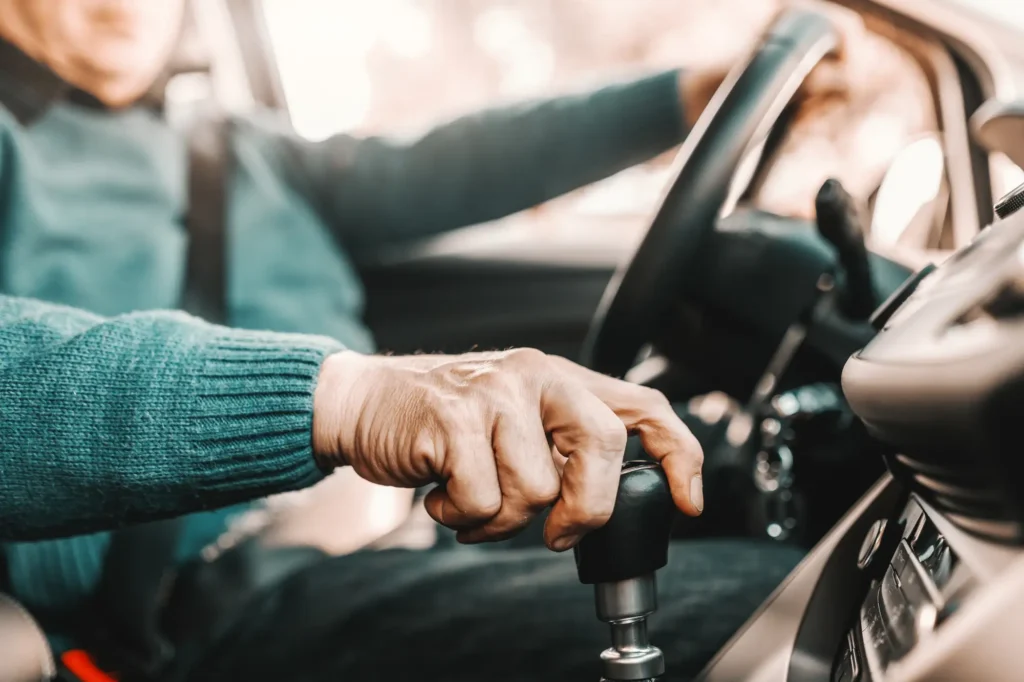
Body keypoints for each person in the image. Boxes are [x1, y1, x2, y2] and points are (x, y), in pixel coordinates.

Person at [0, 0, 814, 679]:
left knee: (782, 502)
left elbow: (454, 162)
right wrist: (349, 401)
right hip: (215, 597)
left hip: (405, 512)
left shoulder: (234, 148)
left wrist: (686, 95)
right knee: (790, 615)